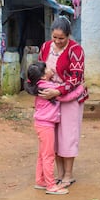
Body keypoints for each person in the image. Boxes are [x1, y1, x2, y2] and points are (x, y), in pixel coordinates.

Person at [38, 15, 88, 188]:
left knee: (68, 135)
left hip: (70, 97)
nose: (58, 41)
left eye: (62, 38)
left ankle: (68, 174)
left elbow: (76, 78)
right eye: (55, 38)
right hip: (50, 99)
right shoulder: (45, 47)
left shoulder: (76, 50)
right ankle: (59, 174)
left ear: (68, 36)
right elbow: (39, 70)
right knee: (54, 137)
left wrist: (57, 91)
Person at [25, 61, 84, 195]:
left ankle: (40, 181)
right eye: (46, 68)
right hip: (46, 125)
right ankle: (51, 186)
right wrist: (81, 88)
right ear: (43, 76)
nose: (50, 68)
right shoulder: (48, 87)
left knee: (43, 154)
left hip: (42, 123)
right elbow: (67, 96)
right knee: (48, 155)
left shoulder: (40, 84)